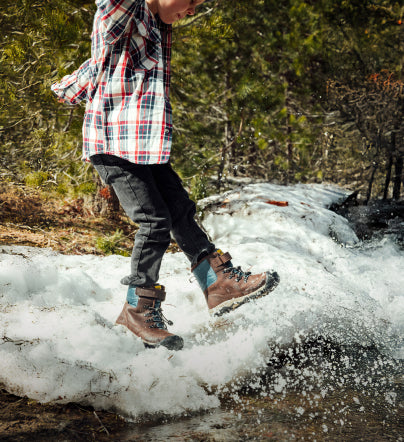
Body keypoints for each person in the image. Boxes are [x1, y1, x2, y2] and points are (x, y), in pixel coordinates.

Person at [52, 0, 279, 351]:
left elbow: (108, 64)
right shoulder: (125, 12)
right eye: (191, 2)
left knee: (180, 210)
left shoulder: (158, 26)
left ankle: (217, 283)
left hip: (144, 145)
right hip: (114, 144)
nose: (192, 11)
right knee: (154, 222)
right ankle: (137, 307)